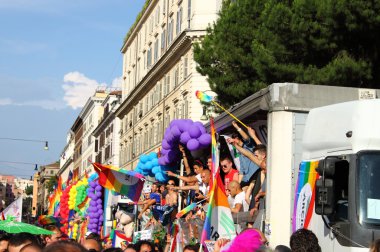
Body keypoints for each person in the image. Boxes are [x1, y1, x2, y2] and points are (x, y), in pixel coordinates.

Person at [230, 122, 262, 189]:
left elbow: (247, 138)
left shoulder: (248, 146)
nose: (233, 141)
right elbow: (241, 172)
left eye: (235, 138)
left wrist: (237, 127)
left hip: (256, 174)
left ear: (239, 138)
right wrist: (238, 185)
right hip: (247, 178)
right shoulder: (240, 154)